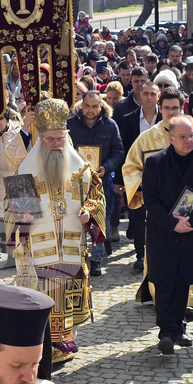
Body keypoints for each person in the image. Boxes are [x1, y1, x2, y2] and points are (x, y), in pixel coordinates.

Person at [7, 98, 106, 364]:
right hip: (39, 249)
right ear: (40, 137)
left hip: (71, 245)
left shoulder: (81, 168)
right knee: (44, 295)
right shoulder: (27, 168)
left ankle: (64, 342)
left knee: (65, 293)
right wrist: (21, 217)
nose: (55, 144)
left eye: (60, 138)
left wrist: (89, 211)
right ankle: (42, 346)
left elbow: (96, 195)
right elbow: (12, 211)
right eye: (49, 139)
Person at [122, 88, 193, 313]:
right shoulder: (146, 138)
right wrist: (146, 186)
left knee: (189, 257)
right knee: (160, 257)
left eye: (175, 107)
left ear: (181, 107)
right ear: (159, 108)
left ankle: (190, 301)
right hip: (161, 212)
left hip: (189, 211)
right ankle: (161, 302)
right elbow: (130, 167)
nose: (171, 111)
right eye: (166, 108)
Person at [144, 116, 193, 354]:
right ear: (171, 138)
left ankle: (179, 327)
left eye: (192, 135)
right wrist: (171, 224)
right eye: (183, 137)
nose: (189, 141)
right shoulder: (155, 162)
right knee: (165, 283)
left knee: (183, 282)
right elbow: (151, 201)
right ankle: (166, 330)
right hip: (163, 233)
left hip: (191, 233)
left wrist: (191, 222)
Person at [67, 91, 125, 276]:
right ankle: (81, 256)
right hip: (75, 183)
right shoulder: (70, 125)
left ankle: (96, 259)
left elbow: (118, 151)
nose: (90, 110)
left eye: (94, 106)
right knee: (77, 218)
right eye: (87, 106)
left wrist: (106, 167)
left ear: (101, 106)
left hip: (100, 182)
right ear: (81, 105)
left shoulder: (110, 125)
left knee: (99, 219)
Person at [120, 82, 161, 270]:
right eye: (146, 93)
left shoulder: (167, 119)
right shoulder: (128, 119)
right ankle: (140, 254)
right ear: (141, 95)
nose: (149, 97)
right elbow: (123, 150)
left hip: (163, 177)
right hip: (137, 174)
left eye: (153, 94)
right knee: (137, 215)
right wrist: (120, 181)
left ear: (158, 96)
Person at [0, 105, 30, 259]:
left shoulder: (18, 133)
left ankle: (13, 253)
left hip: (15, 179)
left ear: (7, 118)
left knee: (16, 218)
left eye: (0, 118)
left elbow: (26, 152)